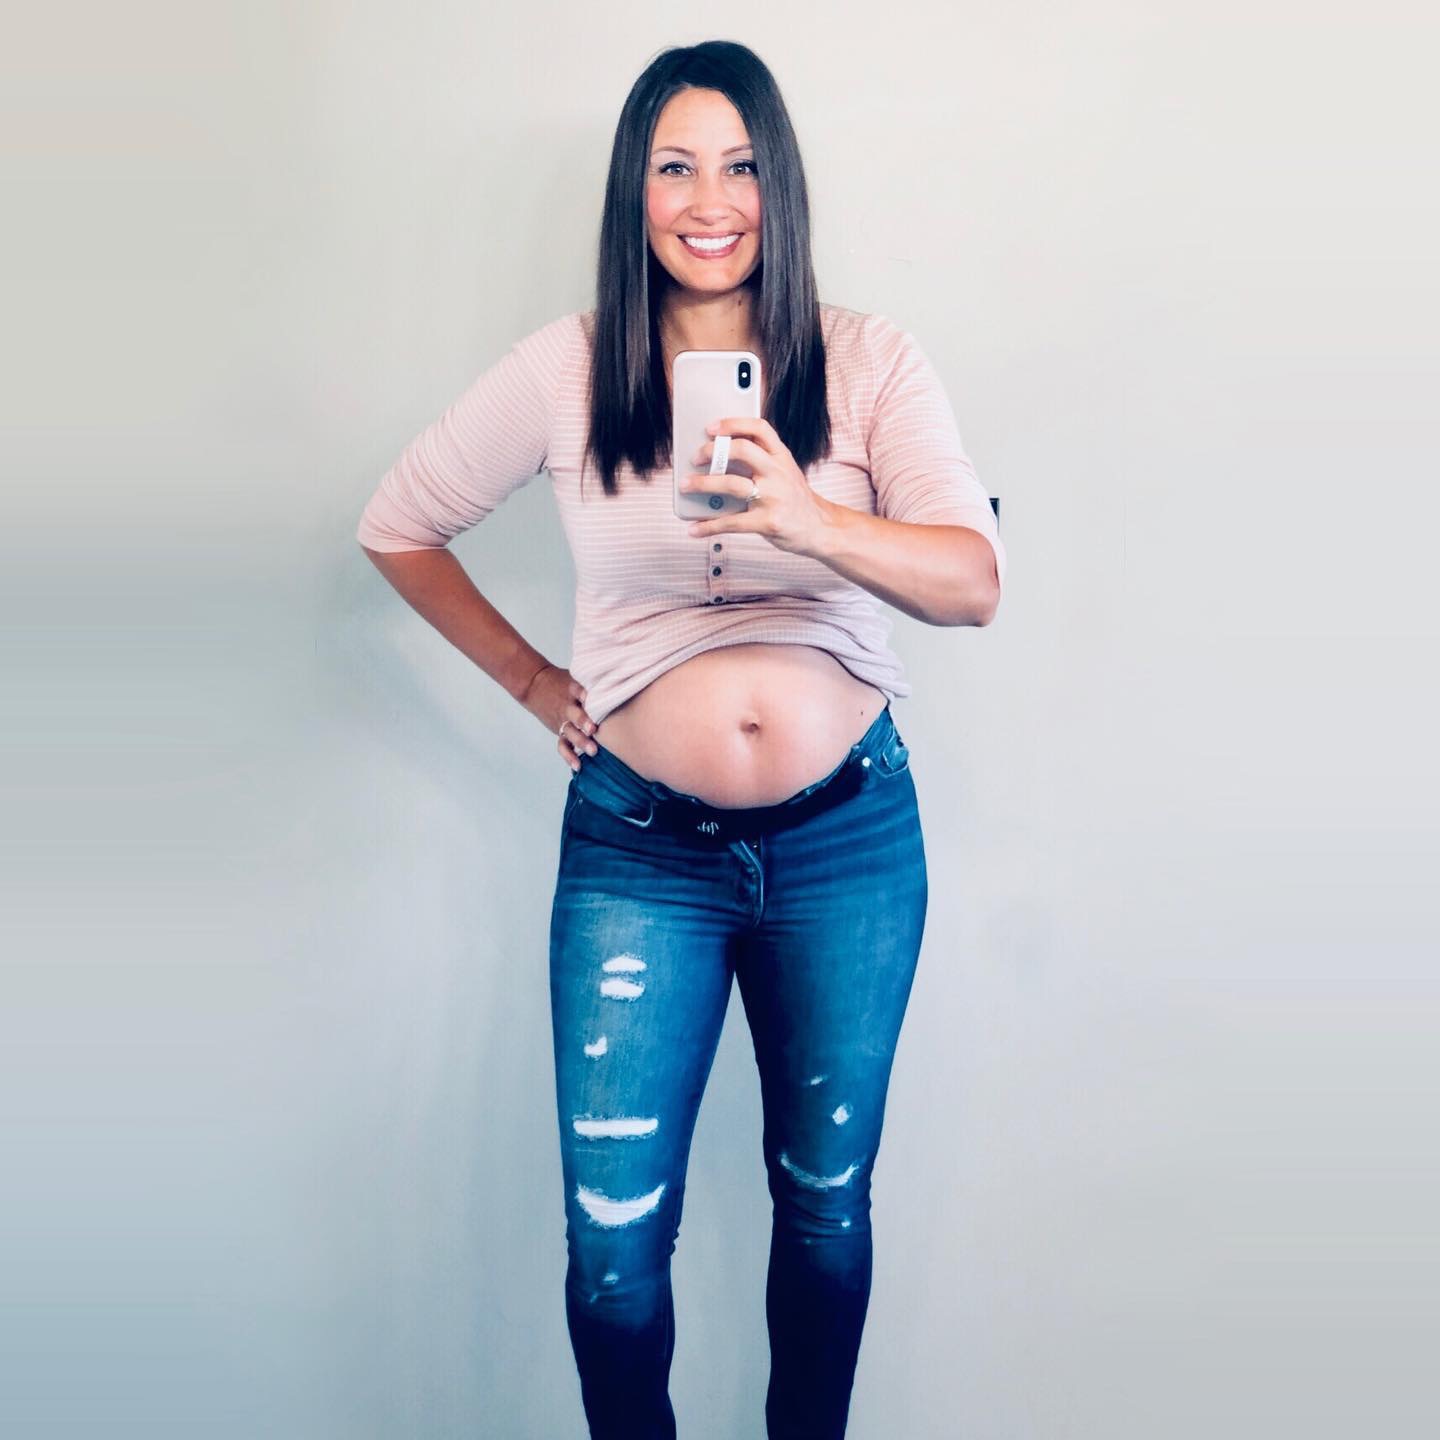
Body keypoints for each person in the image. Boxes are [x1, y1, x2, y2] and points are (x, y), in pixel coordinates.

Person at [356, 39, 1006, 1440]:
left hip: (847, 848)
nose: (710, 201)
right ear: (633, 191)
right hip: (641, 855)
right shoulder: (567, 369)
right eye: (675, 166)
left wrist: (811, 520)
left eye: (741, 165)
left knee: (826, 1211)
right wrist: (535, 682)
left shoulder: (871, 360)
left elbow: (973, 582)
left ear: (782, 186)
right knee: (612, 1253)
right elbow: (396, 524)